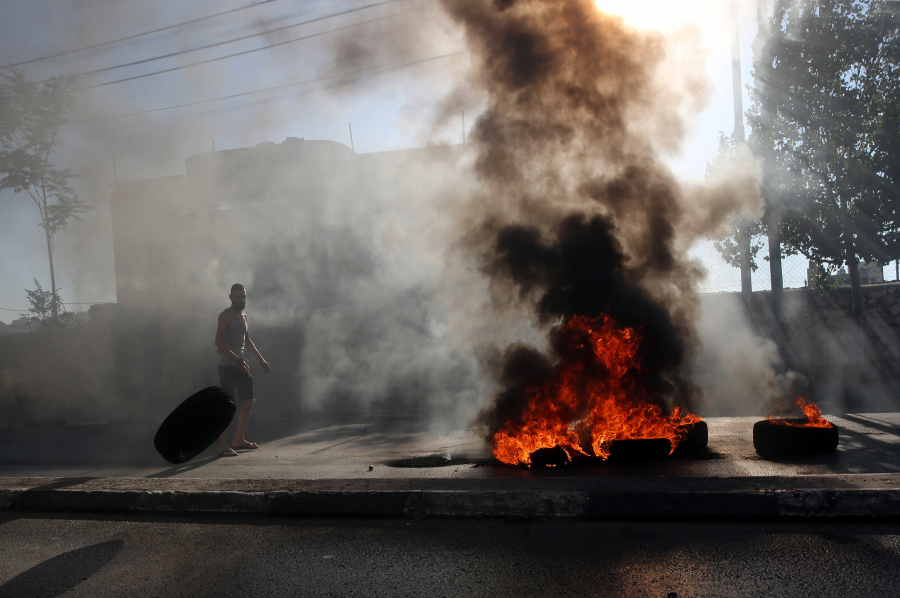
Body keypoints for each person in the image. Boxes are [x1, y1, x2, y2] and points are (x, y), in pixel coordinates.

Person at [215, 283, 270, 457]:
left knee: (249, 400)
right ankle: (223, 446)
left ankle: (238, 440)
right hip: (228, 366)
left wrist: (261, 360)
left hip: (241, 366)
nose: (242, 300)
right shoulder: (225, 316)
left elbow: (247, 340)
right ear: (231, 297)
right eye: (238, 297)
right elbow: (219, 342)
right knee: (226, 406)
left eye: (244, 296)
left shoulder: (244, 317)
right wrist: (236, 359)